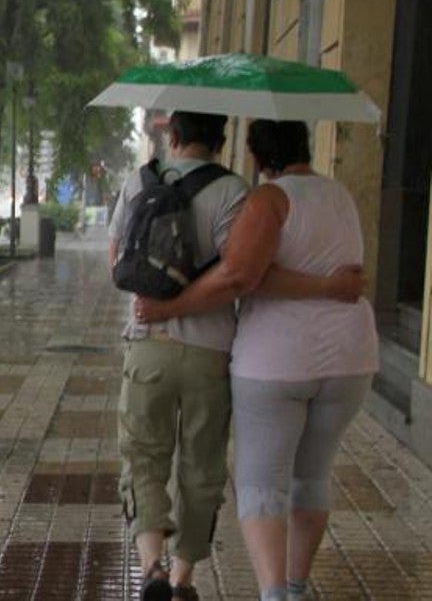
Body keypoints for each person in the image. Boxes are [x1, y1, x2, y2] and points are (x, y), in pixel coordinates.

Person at [135, 120, 374, 601]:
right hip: (350, 358)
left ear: (258, 155)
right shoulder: (341, 196)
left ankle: (274, 594)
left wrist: (169, 308)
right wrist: (329, 287)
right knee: (312, 477)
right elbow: (341, 271)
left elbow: (240, 276)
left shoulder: (269, 199)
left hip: (277, 361)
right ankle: (297, 586)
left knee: (262, 486)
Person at [109, 111, 251, 601]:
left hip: (148, 344)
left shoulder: (137, 181)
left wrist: (160, 301)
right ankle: (182, 578)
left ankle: (151, 567)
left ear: (172, 136)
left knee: (143, 456)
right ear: (221, 140)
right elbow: (236, 273)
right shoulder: (235, 191)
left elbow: (117, 264)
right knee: (202, 464)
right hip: (211, 350)